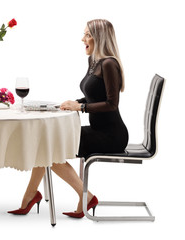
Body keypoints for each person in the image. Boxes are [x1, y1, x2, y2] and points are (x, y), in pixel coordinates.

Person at [8, 19, 128, 218]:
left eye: (88, 35)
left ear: (99, 38)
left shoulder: (109, 64)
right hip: (97, 130)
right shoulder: (95, 61)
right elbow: (94, 95)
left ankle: (85, 196)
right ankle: (31, 196)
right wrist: (74, 102)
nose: (83, 39)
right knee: (44, 144)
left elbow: (112, 103)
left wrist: (80, 107)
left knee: (47, 150)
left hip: (111, 135)